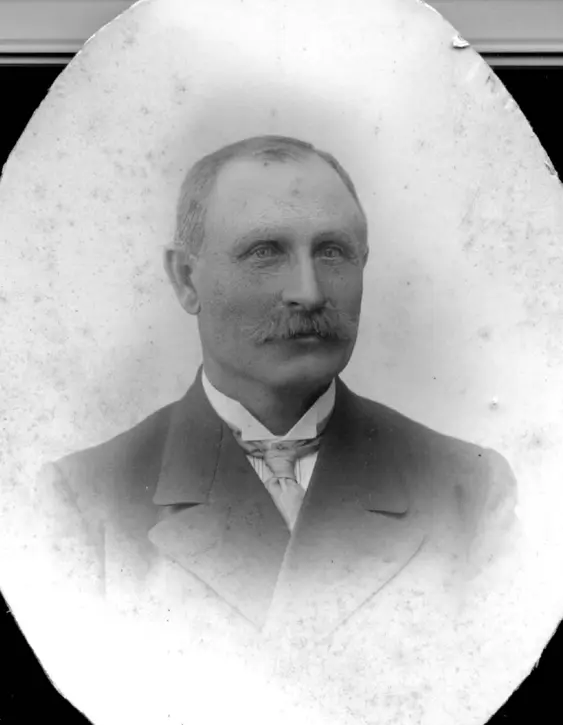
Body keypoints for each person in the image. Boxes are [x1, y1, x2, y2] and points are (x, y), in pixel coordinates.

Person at [38, 135, 517, 642]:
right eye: (265, 252)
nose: (308, 293)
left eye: (332, 252)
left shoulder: (468, 490)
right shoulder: (87, 502)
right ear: (186, 279)